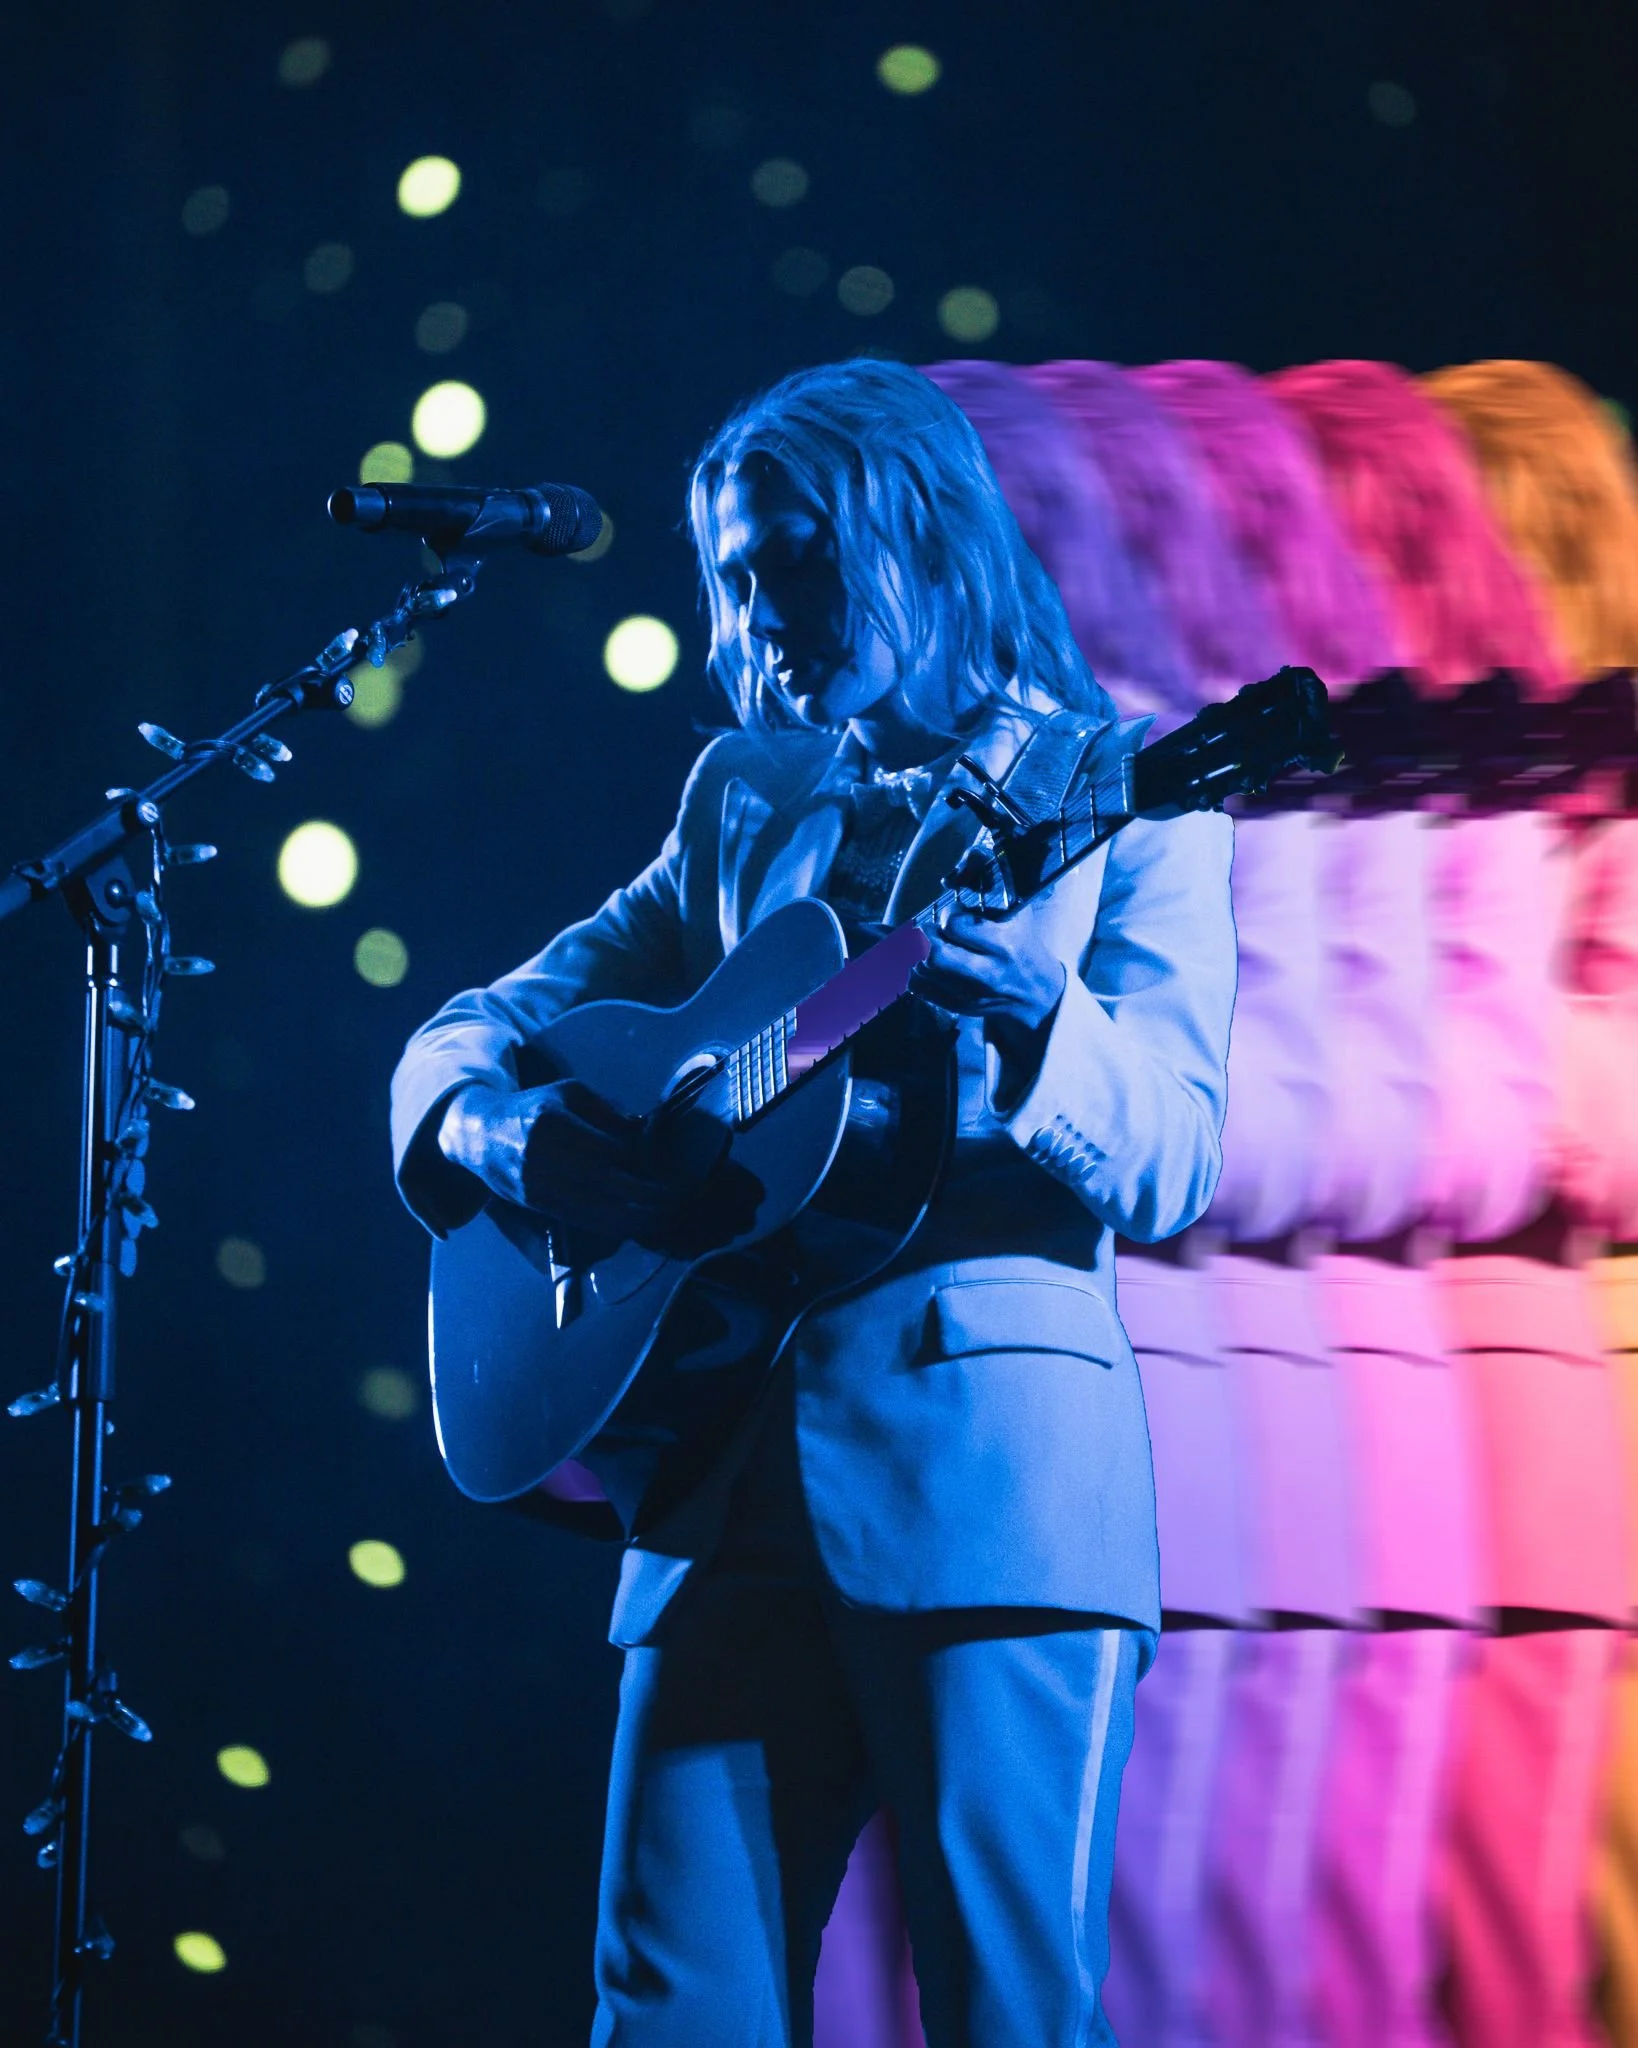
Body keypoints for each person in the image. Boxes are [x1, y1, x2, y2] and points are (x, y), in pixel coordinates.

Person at [388, 357, 1238, 2047]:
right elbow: (465, 1030)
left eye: (796, 557)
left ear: (919, 528)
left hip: (995, 1495)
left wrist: (1032, 1029)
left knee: (1008, 2014)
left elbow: (1177, 1150)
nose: (763, 612)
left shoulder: (1119, 797)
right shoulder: (741, 799)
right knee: (664, 2014)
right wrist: (502, 1141)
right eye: (736, 575)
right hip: (717, 1496)